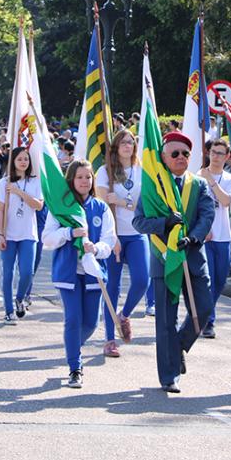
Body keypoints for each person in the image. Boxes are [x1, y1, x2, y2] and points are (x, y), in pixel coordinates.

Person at [133, 131, 215, 393]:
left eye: (185, 154)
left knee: (203, 310)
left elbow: (207, 215)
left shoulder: (199, 184)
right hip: (164, 259)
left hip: (193, 257)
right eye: (175, 153)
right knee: (166, 321)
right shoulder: (154, 187)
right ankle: (169, 376)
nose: (181, 157)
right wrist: (164, 223)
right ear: (164, 157)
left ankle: (178, 346)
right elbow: (138, 221)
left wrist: (193, 238)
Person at [42, 159, 116, 388]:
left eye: (88, 177)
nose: (84, 181)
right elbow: (47, 238)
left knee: (91, 323)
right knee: (73, 319)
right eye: (79, 177)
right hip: (68, 272)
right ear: (71, 180)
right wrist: (68, 233)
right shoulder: (60, 207)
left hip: (93, 272)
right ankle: (75, 367)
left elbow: (109, 240)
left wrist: (96, 249)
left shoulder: (101, 208)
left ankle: (72, 346)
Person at [96, 130, 150, 356]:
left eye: (131, 142)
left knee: (142, 280)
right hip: (114, 236)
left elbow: (145, 204)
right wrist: (112, 237)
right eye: (123, 142)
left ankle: (124, 315)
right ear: (116, 147)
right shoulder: (104, 172)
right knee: (112, 287)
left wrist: (121, 201)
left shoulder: (142, 171)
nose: (128, 146)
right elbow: (102, 205)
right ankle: (109, 339)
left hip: (137, 233)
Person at [0, 146, 44, 324]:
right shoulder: (3, 183)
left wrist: (19, 192)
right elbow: (0, 210)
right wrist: (1, 234)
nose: (23, 162)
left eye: (26, 159)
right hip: (8, 234)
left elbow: (38, 205)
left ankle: (20, 298)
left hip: (28, 234)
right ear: (13, 161)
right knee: (8, 273)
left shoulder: (35, 182)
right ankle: (9, 311)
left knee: (27, 272)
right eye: (19, 159)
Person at [198, 138, 231, 339]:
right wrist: (201, 229)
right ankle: (208, 321)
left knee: (220, 280)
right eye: (213, 152)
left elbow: (226, 201)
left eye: (220, 153)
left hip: (223, 236)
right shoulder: (197, 177)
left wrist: (211, 181)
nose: (215, 156)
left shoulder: (230, 179)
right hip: (204, 237)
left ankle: (202, 314)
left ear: (227, 156)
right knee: (209, 281)